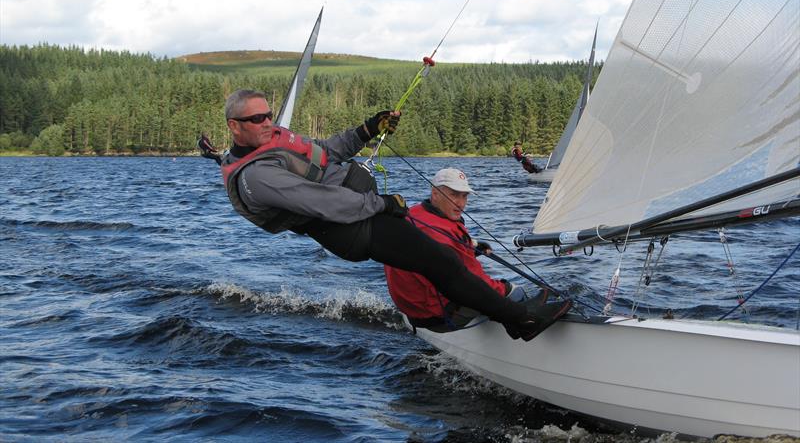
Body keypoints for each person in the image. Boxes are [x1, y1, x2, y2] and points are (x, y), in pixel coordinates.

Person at [220, 88, 569, 341]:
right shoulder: (257, 176)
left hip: (362, 213)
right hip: (354, 229)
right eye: (256, 119)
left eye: (269, 114)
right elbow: (324, 202)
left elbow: (324, 152)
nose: (267, 122)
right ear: (235, 126)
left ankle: (498, 312)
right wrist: (383, 204)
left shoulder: (272, 139)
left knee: (439, 261)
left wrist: (367, 130)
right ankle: (520, 322)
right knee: (442, 263)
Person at [385, 168, 559, 333]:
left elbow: (431, 254)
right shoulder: (441, 236)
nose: (460, 203)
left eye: (464, 196)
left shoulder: (414, 213)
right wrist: (506, 290)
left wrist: (471, 246)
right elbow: (473, 282)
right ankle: (523, 327)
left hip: (413, 308)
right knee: (514, 291)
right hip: (437, 315)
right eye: (453, 195)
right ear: (435, 194)